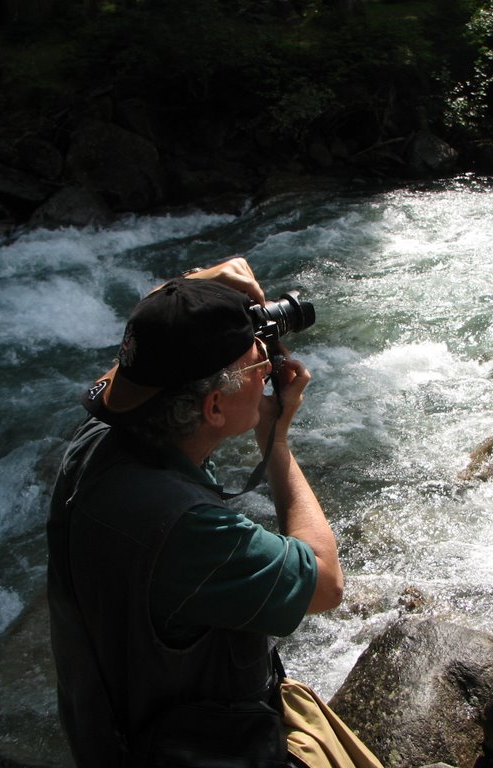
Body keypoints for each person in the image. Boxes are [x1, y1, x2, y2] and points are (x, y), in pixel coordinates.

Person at [46, 258, 382, 767]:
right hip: (201, 751)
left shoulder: (100, 434)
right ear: (214, 409)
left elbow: (147, 350)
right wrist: (276, 442)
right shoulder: (191, 532)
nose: (269, 365)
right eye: (257, 364)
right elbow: (326, 582)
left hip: (115, 736)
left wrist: (194, 289)